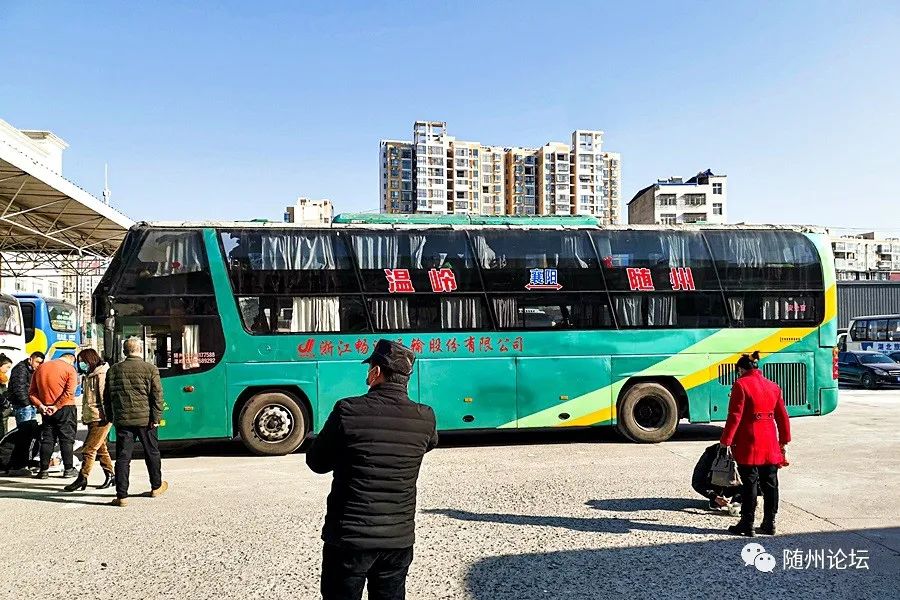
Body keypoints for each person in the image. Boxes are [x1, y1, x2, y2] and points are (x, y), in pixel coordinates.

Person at [306, 340, 438, 600]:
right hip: (398, 540)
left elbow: (316, 462)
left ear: (376, 372)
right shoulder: (425, 417)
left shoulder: (347, 410)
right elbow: (428, 444)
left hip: (349, 538)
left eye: (369, 368)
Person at [720, 351, 791, 537]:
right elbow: (782, 416)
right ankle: (769, 523)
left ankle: (747, 523)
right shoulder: (773, 386)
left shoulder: (741, 384)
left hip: (749, 441)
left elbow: (735, 416)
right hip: (770, 441)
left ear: (741, 370)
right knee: (771, 483)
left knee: (749, 483)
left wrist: (726, 441)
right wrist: (784, 439)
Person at [103, 337, 167, 507]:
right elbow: (157, 396)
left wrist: (110, 417)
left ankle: (122, 496)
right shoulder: (150, 369)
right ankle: (156, 486)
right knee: (152, 453)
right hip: (146, 421)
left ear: (124, 351)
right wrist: (156, 418)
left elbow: (107, 397)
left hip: (123, 421)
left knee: (123, 458)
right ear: (141, 350)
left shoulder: (113, 370)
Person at [64, 349, 114, 492]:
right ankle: (111, 475)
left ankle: (83, 477)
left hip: (100, 417)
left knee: (88, 449)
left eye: (83, 361)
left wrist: (107, 417)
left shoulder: (101, 374)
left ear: (90, 359)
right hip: (92, 417)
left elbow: (104, 398)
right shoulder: (89, 375)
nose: (81, 364)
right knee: (101, 448)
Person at [30, 352, 78, 479]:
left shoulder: (40, 368)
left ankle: (43, 470)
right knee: (66, 439)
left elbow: (32, 392)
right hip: (65, 408)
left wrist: (40, 405)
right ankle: (68, 469)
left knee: (47, 439)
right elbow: (69, 392)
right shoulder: (69, 369)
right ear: (71, 360)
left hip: (46, 409)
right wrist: (56, 406)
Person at [5, 352, 45, 475]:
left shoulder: (31, 370)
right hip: (23, 406)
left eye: (41, 363)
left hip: (29, 405)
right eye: (37, 362)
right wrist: (27, 403)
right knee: (24, 435)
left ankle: (26, 461)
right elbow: (19, 389)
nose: (38, 365)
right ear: (30, 359)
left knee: (30, 434)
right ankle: (20, 464)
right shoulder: (20, 369)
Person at [691, 442, 742, 511]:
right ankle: (717, 498)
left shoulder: (748, 452)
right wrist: (714, 496)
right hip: (715, 486)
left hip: (738, 486)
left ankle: (739, 498)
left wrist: (739, 497)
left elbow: (754, 481)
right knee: (717, 476)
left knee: (750, 478)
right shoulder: (711, 452)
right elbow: (697, 481)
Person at [0, 354, 13, 439]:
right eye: (7, 367)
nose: (7, 370)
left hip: (3, 411)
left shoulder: (3, 378)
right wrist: (5, 402)